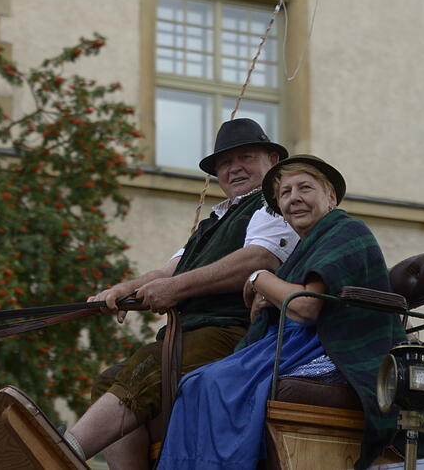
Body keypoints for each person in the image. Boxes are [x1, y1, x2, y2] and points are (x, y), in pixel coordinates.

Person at [65, 119, 299, 468]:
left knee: (148, 365)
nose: (233, 168)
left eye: (245, 157)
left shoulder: (276, 204)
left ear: (273, 160)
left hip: (239, 333)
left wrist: (173, 289)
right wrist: (121, 290)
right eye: (223, 163)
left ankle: (61, 452)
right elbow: (167, 271)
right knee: (111, 378)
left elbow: (260, 258)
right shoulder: (213, 222)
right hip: (193, 333)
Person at [156, 155, 407, 470]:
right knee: (195, 383)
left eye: (305, 188)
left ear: (330, 197)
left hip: (337, 348)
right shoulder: (304, 248)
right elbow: (276, 313)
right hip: (295, 345)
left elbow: (304, 308)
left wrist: (259, 277)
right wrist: (263, 302)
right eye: (285, 193)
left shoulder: (346, 230)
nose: (294, 199)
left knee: (213, 384)